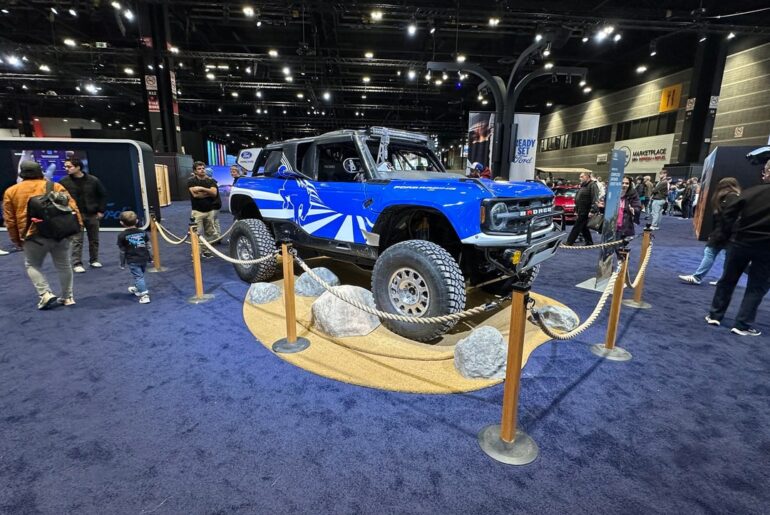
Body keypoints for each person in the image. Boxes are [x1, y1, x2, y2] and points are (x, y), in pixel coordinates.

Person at [2, 161, 82, 309]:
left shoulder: (11, 191)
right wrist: (77, 229)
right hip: (60, 233)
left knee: (32, 264)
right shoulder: (55, 186)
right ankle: (67, 297)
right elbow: (73, 209)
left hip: (32, 235)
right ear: (40, 172)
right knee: (64, 265)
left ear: (22, 173)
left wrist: (16, 240)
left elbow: (10, 220)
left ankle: (45, 294)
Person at [706, 161, 770, 336]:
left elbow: (728, 214)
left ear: (766, 172)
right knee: (757, 286)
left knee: (727, 280)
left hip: (740, 242)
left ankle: (715, 315)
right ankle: (742, 325)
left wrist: (728, 235)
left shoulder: (750, 193)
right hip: (766, 248)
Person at [679, 178, 741, 285]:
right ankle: (722, 280)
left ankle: (698, 277)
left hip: (724, 233)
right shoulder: (730, 197)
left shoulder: (731, 197)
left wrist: (720, 233)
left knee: (712, 253)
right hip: (724, 232)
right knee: (721, 256)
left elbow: (729, 218)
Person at [59, 157, 108, 273]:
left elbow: (103, 195)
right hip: (75, 215)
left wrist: (101, 210)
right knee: (77, 240)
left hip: (92, 214)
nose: (66, 169)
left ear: (78, 167)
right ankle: (77, 263)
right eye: (66, 166)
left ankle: (94, 260)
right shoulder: (63, 182)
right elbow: (59, 198)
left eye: (69, 166)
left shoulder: (93, 180)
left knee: (94, 239)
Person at [118, 210, 151, 304]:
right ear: (136, 221)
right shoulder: (142, 232)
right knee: (140, 275)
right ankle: (138, 288)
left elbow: (122, 251)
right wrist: (150, 257)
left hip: (133, 260)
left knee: (139, 276)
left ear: (121, 223)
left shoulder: (122, 235)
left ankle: (145, 295)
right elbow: (148, 246)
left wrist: (122, 263)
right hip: (144, 258)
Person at [188, 160, 221, 257]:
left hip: (210, 211)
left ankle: (206, 251)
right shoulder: (191, 181)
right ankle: (196, 252)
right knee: (196, 233)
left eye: (203, 168)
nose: (202, 170)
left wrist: (201, 189)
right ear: (195, 171)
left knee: (209, 233)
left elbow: (214, 193)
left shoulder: (211, 181)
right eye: (199, 169)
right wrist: (208, 192)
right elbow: (195, 195)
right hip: (197, 211)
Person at [565, 171, 599, 246]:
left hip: (586, 210)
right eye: (580, 176)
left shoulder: (592, 185)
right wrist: (576, 209)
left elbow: (595, 199)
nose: (580, 178)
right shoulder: (583, 185)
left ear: (588, 177)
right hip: (581, 210)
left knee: (577, 226)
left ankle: (569, 242)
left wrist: (592, 211)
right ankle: (589, 241)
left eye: (582, 176)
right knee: (583, 227)